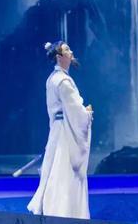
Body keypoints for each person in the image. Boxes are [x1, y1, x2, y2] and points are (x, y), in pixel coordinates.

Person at [27, 41, 93, 219]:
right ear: (59, 56)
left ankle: (56, 211)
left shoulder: (53, 79)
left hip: (58, 129)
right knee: (65, 171)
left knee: (55, 170)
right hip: (65, 131)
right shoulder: (62, 81)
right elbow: (74, 108)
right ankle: (64, 212)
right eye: (67, 50)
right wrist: (87, 114)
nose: (71, 52)